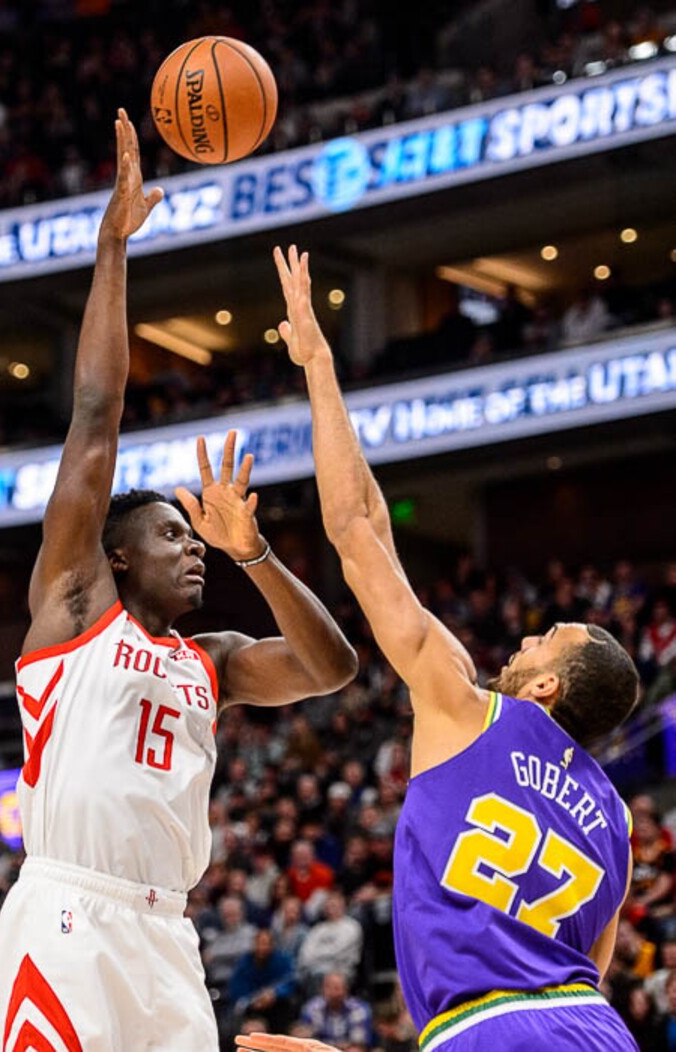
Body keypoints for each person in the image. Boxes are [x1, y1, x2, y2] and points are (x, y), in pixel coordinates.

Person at [0, 122, 357, 1052]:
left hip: (170, 935)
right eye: (171, 535)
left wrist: (258, 553)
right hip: (72, 913)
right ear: (115, 556)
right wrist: (113, 247)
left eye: (197, 539)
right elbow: (95, 413)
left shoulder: (211, 661)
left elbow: (331, 667)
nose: (193, 550)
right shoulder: (74, 606)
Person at [241, 244, 642, 1051]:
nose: (525, 637)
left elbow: (357, 532)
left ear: (546, 690)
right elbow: (577, 978)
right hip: (597, 1032)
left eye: (544, 640)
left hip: (487, 1029)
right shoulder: (618, 821)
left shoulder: (468, 706)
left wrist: (319, 365)